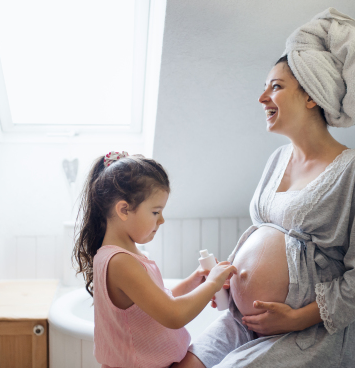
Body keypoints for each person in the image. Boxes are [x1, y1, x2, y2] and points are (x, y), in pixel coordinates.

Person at [174, 8, 355, 367]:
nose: (262, 98)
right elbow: (268, 238)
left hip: (311, 332)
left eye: (275, 87)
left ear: (311, 96)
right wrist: (232, 280)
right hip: (246, 320)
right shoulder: (277, 160)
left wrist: (295, 318)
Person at [73, 152, 237, 368]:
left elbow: (155, 304)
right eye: (155, 211)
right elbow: (173, 315)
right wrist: (213, 283)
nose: (161, 219)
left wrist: (196, 281)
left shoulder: (121, 254)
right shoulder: (120, 262)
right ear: (123, 210)